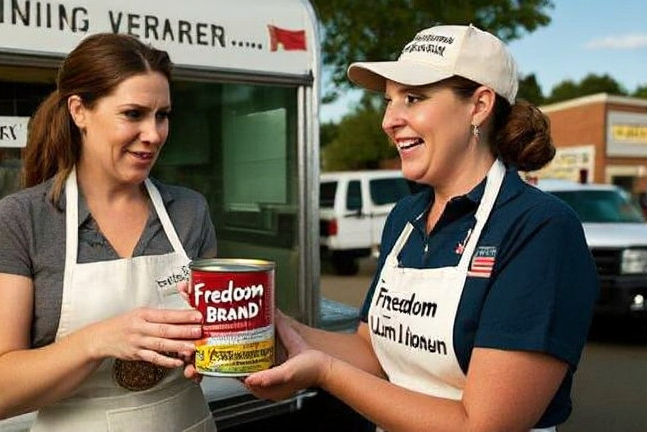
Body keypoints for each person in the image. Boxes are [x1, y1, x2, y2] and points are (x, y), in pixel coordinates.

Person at [243, 24, 598, 432]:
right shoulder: (405, 217)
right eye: (389, 100)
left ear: (479, 105)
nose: (389, 120)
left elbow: (481, 425)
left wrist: (323, 372)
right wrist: (268, 326)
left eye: (413, 98)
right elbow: (371, 351)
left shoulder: (539, 228)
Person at [0, 33, 218, 431]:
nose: (153, 134)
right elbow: (0, 393)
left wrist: (222, 345)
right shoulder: (21, 220)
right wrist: (98, 340)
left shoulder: (190, 211)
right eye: (133, 114)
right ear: (79, 111)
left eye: (163, 114)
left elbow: (214, 335)